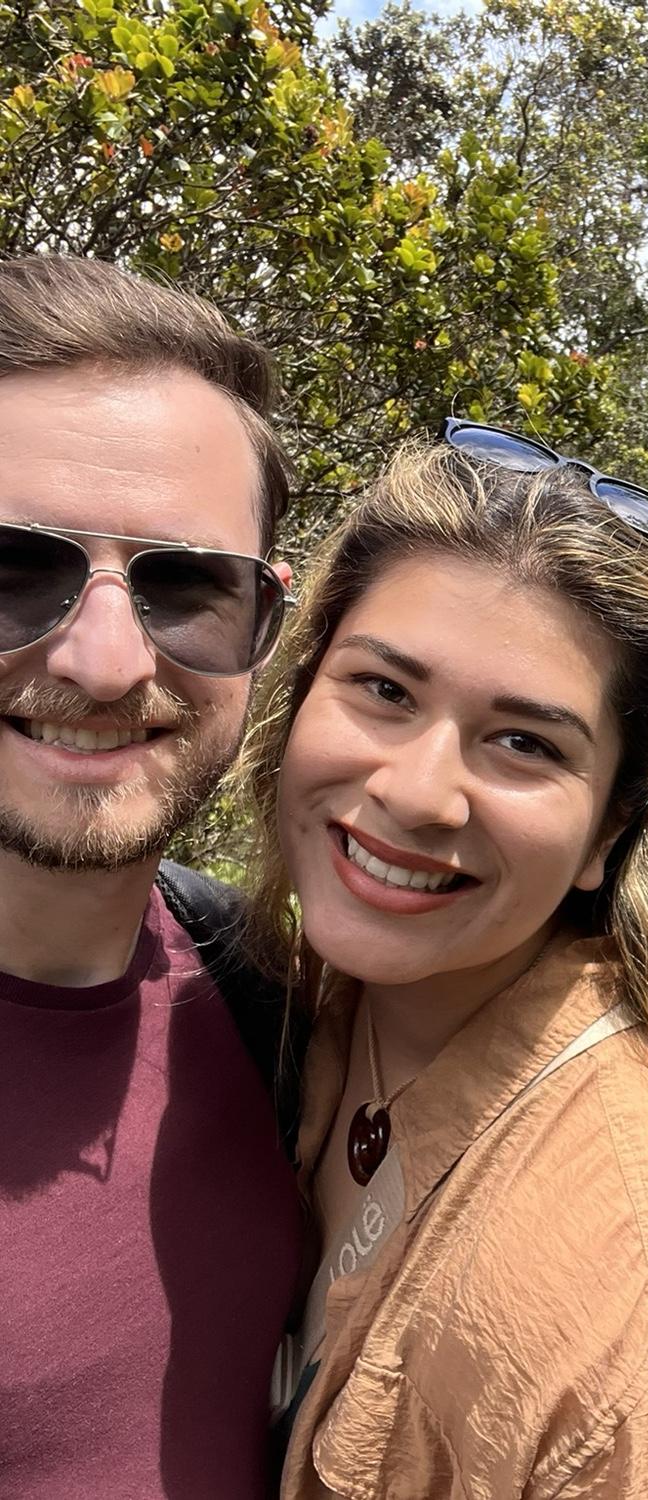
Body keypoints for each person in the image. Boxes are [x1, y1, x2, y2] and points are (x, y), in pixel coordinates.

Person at [238, 430, 648, 1498]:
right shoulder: (307, 1017)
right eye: (383, 689)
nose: (417, 792)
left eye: (525, 743)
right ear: (300, 698)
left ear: (609, 830)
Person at [0, 255, 304, 1499]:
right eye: (13, 571)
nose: (109, 662)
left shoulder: (272, 1001)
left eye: (187, 587)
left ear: (267, 626)